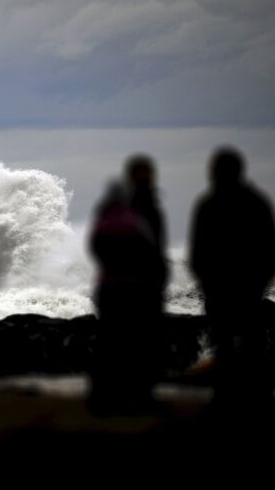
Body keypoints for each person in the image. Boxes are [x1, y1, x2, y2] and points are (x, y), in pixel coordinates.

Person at [189, 146, 275, 405]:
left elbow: (198, 251)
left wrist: (205, 281)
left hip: (221, 289)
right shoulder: (258, 202)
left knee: (226, 345)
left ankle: (225, 399)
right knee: (250, 344)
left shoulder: (208, 203)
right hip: (248, 289)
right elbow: (271, 248)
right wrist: (261, 282)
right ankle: (257, 399)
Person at [87, 154, 168, 412]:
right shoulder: (129, 209)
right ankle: (115, 396)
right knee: (125, 342)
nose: (145, 179)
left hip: (127, 285)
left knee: (128, 343)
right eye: (141, 173)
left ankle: (122, 395)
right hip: (127, 285)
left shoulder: (144, 206)